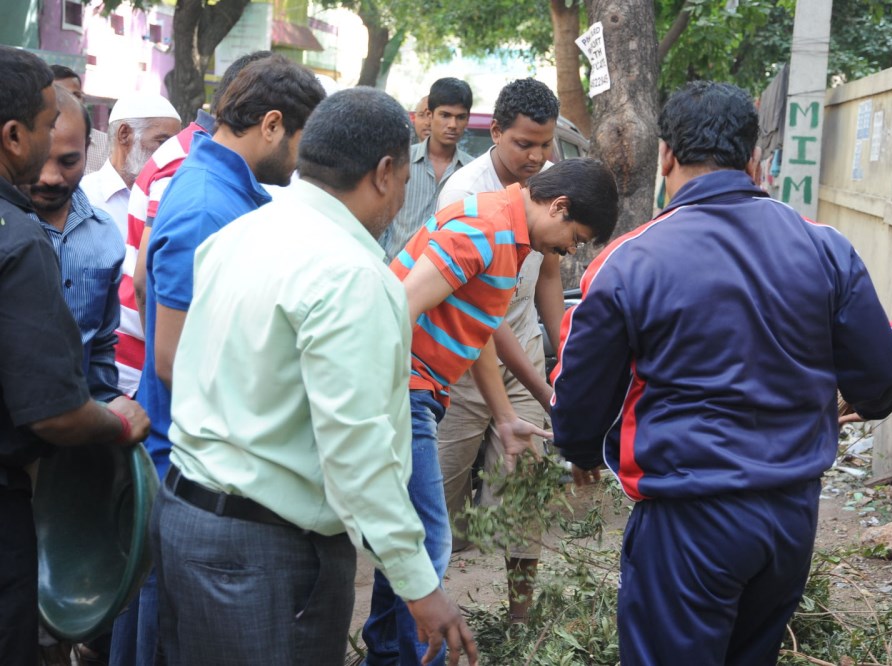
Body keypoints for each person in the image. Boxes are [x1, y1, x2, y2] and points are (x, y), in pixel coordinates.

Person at [549, 81, 892, 665]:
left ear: (666, 154)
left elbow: (576, 408)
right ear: (754, 160)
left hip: (687, 521)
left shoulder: (628, 262)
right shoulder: (825, 249)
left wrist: (584, 453)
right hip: (791, 520)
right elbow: (886, 380)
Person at [150, 86, 478, 666]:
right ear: (384, 173)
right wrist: (420, 585)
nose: (402, 201)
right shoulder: (351, 275)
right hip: (265, 554)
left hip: (187, 522)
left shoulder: (240, 233)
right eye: (405, 183)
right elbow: (358, 452)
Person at [363, 157, 619, 666]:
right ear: (559, 207)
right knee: (430, 543)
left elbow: (477, 327)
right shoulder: (486, 230)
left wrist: (504, 417)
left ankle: (389, 653)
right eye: (576, 237)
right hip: (405, 388)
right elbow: (396, 308)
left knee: (409, 539)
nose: (569, 251)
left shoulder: (509, 233)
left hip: (420, 389)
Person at [109, 51, 279, 666]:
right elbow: (166, 340)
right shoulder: (198, 185)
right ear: (270, 120)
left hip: (167, 421)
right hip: (172, 429)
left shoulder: (201, 170)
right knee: (156, 597)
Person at [0, 46, 150, 666]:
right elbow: (56, 414)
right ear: (14, 137)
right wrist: (115, 423)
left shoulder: (98, 240)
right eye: (42, 129)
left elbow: (98, 356)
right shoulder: (19, 240)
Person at [434, 78, 564, 621]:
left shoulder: (553, 186)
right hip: (463, 361)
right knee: (438, 497)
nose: (536, 157)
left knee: (524, 486)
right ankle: (426, 618)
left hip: (524, 350)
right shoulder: (464, 194)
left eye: (545, 144)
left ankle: (520, 615)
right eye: (524, 144)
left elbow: (549, 274)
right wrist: (547, 391)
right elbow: (479, 319)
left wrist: (564, 355)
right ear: (497, 133)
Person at [114, 50, 273, 400]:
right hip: (140, 362)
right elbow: (144, 279)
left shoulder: (194, 150)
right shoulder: (189, 161)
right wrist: (160, 357)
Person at [19, 86, 124, 404]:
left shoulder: (105, 235)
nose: (50, 177)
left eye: (67, 161)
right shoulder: (9, 228)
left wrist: (109, 404)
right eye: (40, 160)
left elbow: (102, 344)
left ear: (88, 149)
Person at [378, 78, 473, 262]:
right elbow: (381, 220)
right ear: (430, 115)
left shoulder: (472, 171)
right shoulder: (400, 160)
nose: (453, 124)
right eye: (445, 115)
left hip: (443, 281)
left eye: (460, 117)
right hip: (394, 274)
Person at [80, 92, 181, 239]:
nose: (172, 153)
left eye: (175, 144)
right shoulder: (84, 196)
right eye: (162, 142)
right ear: (124, 134)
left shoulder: (172, 196)